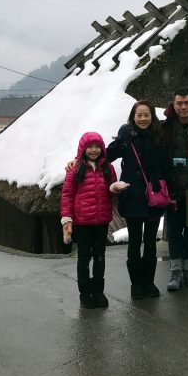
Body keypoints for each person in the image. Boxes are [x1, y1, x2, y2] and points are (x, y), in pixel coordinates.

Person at [107, 100, 171, 300]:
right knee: (135, 242)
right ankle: (136, 284)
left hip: (153, 196)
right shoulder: (127, 138)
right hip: (133, 196)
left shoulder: (159, 138)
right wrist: (121, 138)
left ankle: (149, 282)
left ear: (152, 116)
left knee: (151, 242)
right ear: (133, 117)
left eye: (146, 115)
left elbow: (166, 167)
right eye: (139, 115)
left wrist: (170, 191)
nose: (143, 119)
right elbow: (107, 155)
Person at [61, 132, 117, 309]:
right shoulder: (75, 169)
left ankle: (98, 291)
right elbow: (67, 195)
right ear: (83, 149)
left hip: (102, 221)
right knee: (84, 258)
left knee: (100, 257)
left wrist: (115, 189)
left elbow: (111, 191)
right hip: (82, 222)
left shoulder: (108, 168)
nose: (94, 150)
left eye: (97, 147)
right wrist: (67, 219)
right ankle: (85, 293)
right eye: (90, 147)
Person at [161, 88, 188, 291]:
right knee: (174, 232)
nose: (183, 107)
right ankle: (176, 271)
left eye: (187, 102)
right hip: (173, 192)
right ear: (173, 104)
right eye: (179, 103)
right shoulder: (165, 127)